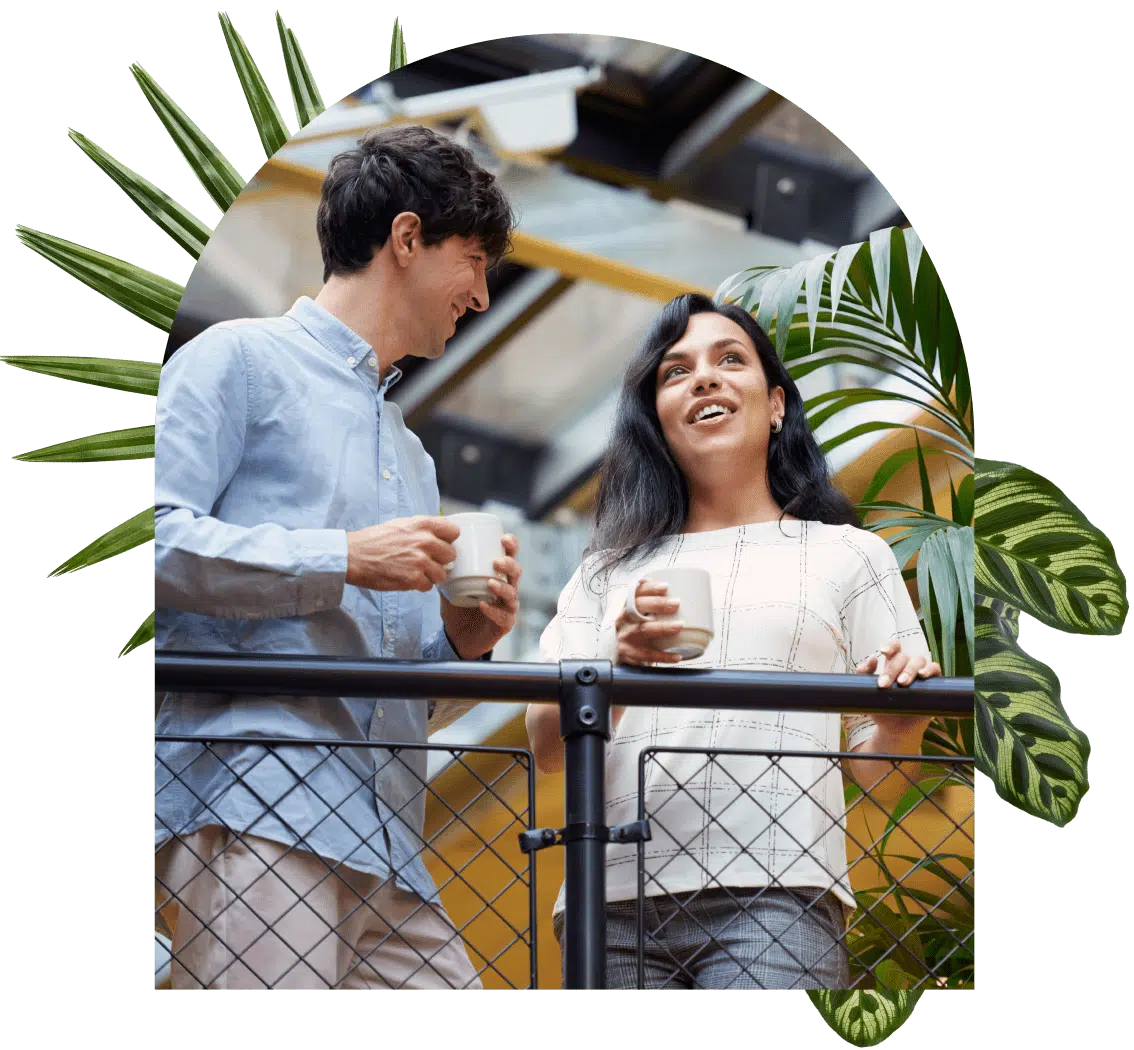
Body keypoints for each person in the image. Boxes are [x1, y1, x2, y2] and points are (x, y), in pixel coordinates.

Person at [153, 125, 523, 991]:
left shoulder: (415, 456)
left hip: (389, 834)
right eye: (473, 259)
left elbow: (385, 679)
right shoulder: (236, 361)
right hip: (256, 800)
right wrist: (344, 559)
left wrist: (462, 644)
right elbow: (149, 539)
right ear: (405, 239)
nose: (481, 293)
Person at [526, 292, 942, 991]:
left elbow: (881, 776)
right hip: (612, 901)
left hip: (779, 892)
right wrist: (613, 665)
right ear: (657, 417)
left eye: (730, 360)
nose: (705, 378)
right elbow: (543, 746)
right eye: (676, 371)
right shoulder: (603, 571)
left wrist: (903, 725)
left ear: (776, 402)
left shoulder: (849, 555)